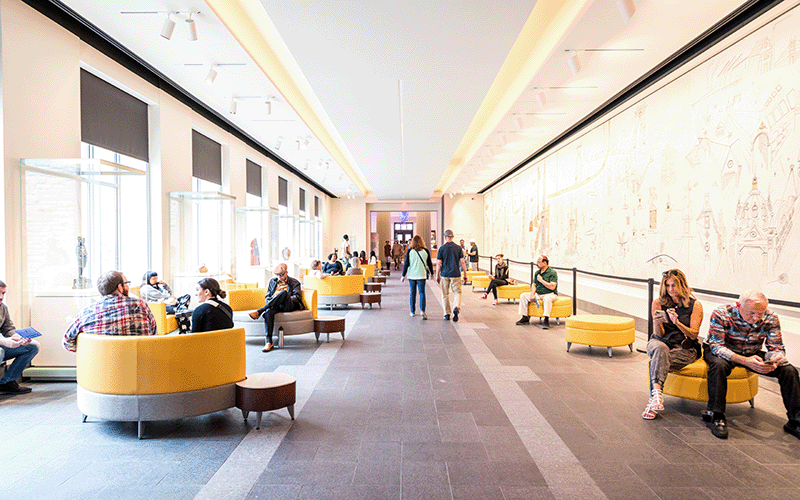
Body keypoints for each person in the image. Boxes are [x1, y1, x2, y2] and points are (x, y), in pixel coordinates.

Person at [703, 290, 800, 440]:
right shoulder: (721, 313)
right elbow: (716, 346)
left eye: (760, 313)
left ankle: (795, 421)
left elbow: (777, 348)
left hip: (751, 351)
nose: (756, 318)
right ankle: (717, 415)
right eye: (751, 313)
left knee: (789, 370)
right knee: (718, 366)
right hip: (723, 351)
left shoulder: (771, 318)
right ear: (738, 306)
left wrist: (773, 362)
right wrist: (744, 360)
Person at [642, 269, 703, 420]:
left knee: (657, 360)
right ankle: (656, 397)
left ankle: (654, 401)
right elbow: (659, 335)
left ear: (682, 285)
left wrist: (678, 323)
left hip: (684, 347)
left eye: (674, 285)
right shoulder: (658, 303)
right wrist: (657, 323)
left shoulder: (695, 305)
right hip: (660, 342)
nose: (670, 290)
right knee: (660, 348)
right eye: (667, 286)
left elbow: (694, 335)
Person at [63, 271, 157, 352]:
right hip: (141, 369)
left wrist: (88, 349)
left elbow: (67, 342)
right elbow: (153, 334)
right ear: (120, 287)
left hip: (100, 371)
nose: (127, 286)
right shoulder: (140, 305)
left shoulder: (85, 313)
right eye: (126, 283)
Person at [249, 263, 304, 352]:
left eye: (281, 275)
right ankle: (269, 342)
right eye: (277, 275)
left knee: (283, 293)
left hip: (288, 305)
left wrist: (283, 298)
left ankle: (260, 311)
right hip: (275, 304)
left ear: (286, 273)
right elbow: (267, 295)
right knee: (268, 312)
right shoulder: (272, 281)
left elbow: (297, 297)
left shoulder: (294, 282)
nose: (279, 277)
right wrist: (270, 299)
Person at [0, 281, 39, 395]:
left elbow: (8, 329)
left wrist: (19, 338)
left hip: (2, 345)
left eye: (3, 293)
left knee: (33, 346)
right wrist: (4, 342)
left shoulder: (3, 308)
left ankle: (7, 382)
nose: (1, 297)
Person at [515, 255, 558, 329]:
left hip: (550, 294)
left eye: (538, 262)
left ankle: (546, 319)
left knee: (547, 298)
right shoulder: (537, 272)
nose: (537, 264)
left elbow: (552, 287)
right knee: (523, 295)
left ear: (545, 263)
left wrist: (541, 280)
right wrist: (532, 294)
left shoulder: (552, 272)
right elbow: (534, 284)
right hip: (539, 293)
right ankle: (525, 317)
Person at [436, 229, 466, 322]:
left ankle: (446, 314)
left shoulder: (442, 248)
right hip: (455, 274)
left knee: (445, 294)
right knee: (457, 293)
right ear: (452, 237)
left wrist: (437, 275)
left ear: (445, 237)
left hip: (444, 274)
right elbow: (462, 262)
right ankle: (456, 307)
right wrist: (465, 274)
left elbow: (439, 263)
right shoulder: (458, 248)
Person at [401, 235, 434, 320]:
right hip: (422, 275)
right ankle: (422, 311)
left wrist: (403, 275)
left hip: (412, 275)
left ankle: (412, 311)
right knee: (422, 293)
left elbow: (406, 264)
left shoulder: (410, 251)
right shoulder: (425, 251)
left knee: (412, 293)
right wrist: (432, 273)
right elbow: (429, 263)